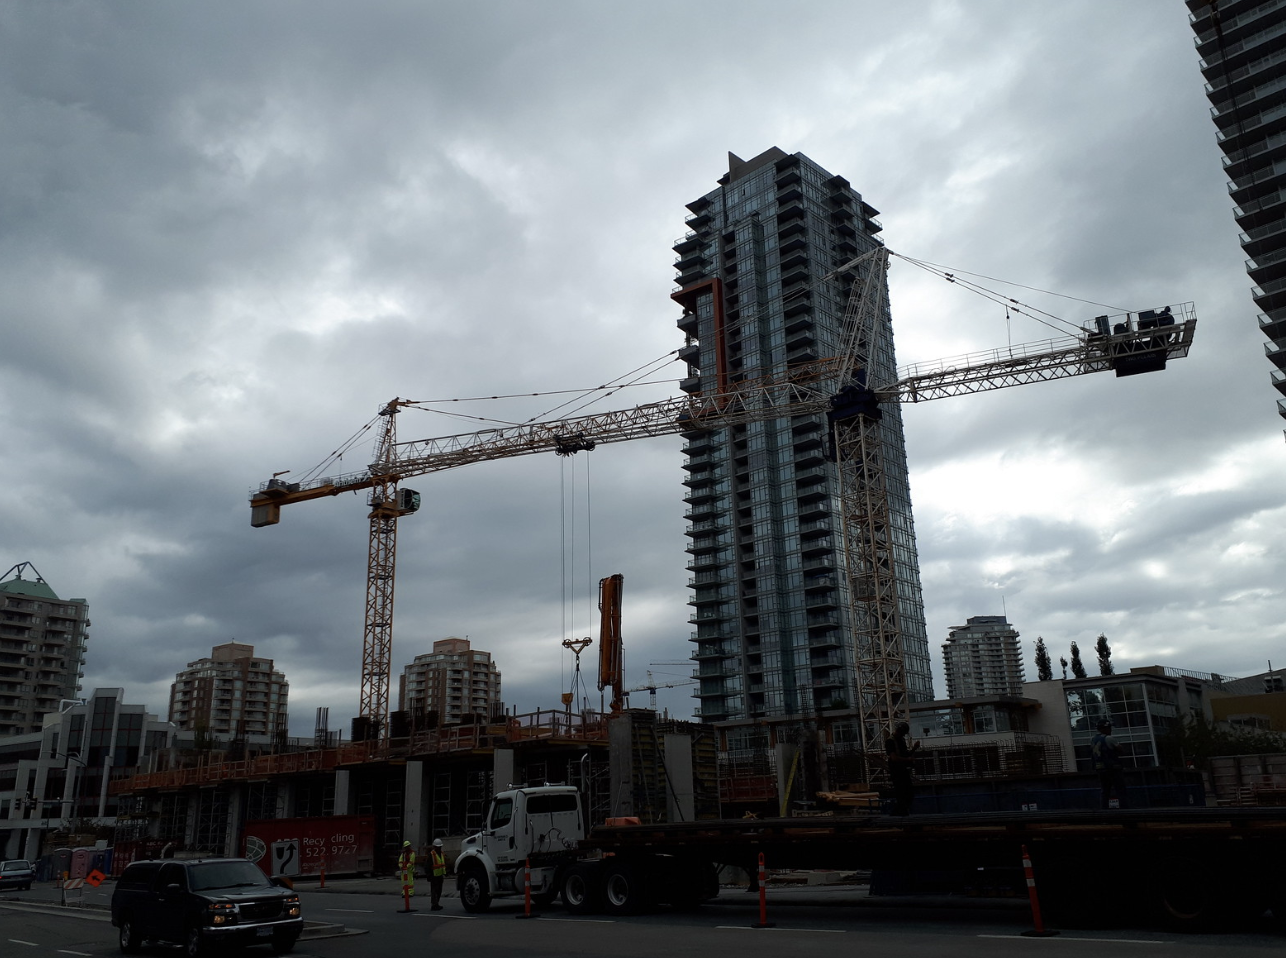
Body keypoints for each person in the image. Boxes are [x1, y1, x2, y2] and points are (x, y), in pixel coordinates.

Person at [885, 721, 920, 816]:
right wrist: (908, 759)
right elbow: (894, 758)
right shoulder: (890, 741)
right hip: (896, 772)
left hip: (903, 771)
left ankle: (899, 814)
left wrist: (914, 749)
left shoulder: (901, 740)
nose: (903, 735)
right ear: (900, 731)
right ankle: (898, 815)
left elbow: (905, 754)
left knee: (908, 794)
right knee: (902, 795)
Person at [1091, 719, 1128, 809]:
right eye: (1109, 728)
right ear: (1104, 728)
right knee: (1120, 791)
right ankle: (1126, 814)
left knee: (1105, 791)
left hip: (1100, 768)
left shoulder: (1093, 739)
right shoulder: (1109, 738)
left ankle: (1105, 814)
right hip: (1112, 768)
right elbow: (1121, 750)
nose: (1110, 730)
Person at [428, 838, 447, 910]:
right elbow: (428, 865)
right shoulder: (432, 854)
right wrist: (429, 875)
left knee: (439, 890)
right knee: (434, 891)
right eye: (438, 847)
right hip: (434, 875)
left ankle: (436, 903)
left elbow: (443, 864)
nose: (439, 848)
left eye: (440, 847)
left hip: (440, 875)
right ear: (435, 847)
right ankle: (434, 904)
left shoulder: (441, 853)